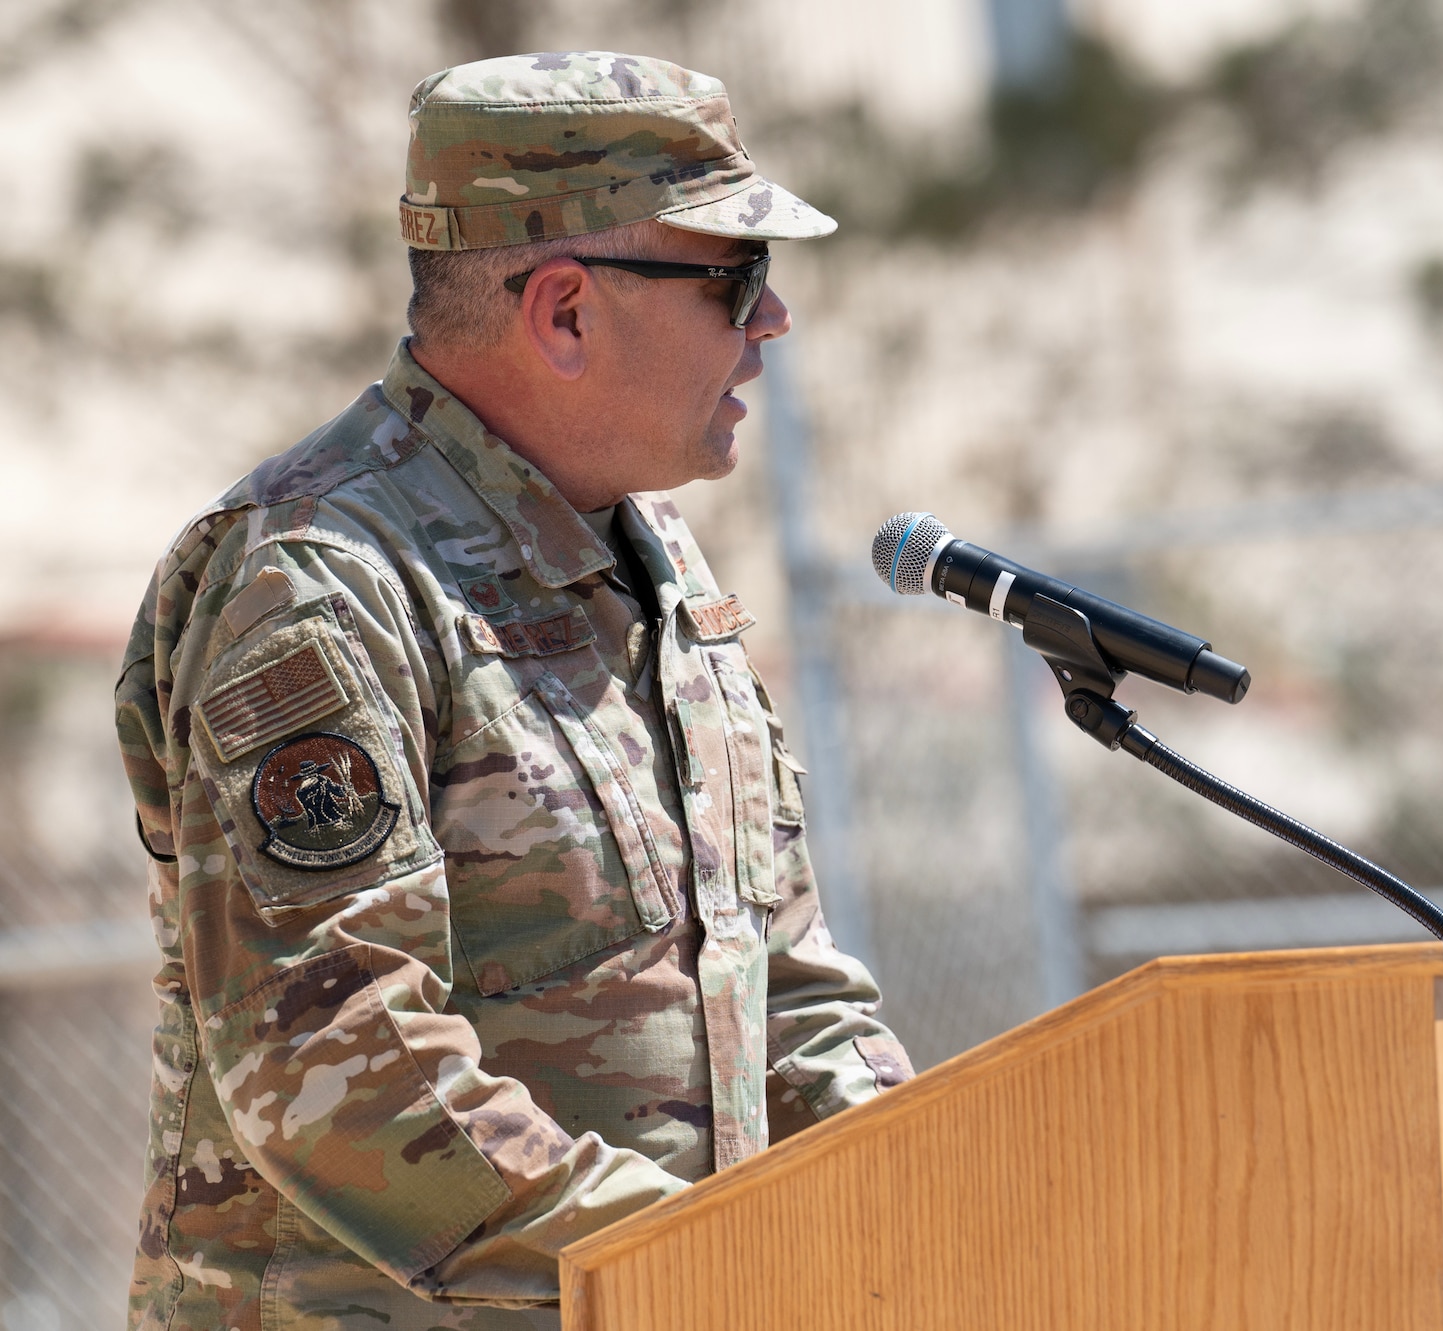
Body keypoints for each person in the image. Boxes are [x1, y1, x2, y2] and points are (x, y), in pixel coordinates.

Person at [114, 51, 912, 1329]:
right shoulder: (324, 579)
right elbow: (335, 1060)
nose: (771, 323)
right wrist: (705, 1269)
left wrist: (931, 1211)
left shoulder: (647, 561)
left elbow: (784, 984)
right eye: (736, 277)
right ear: (565, 312)